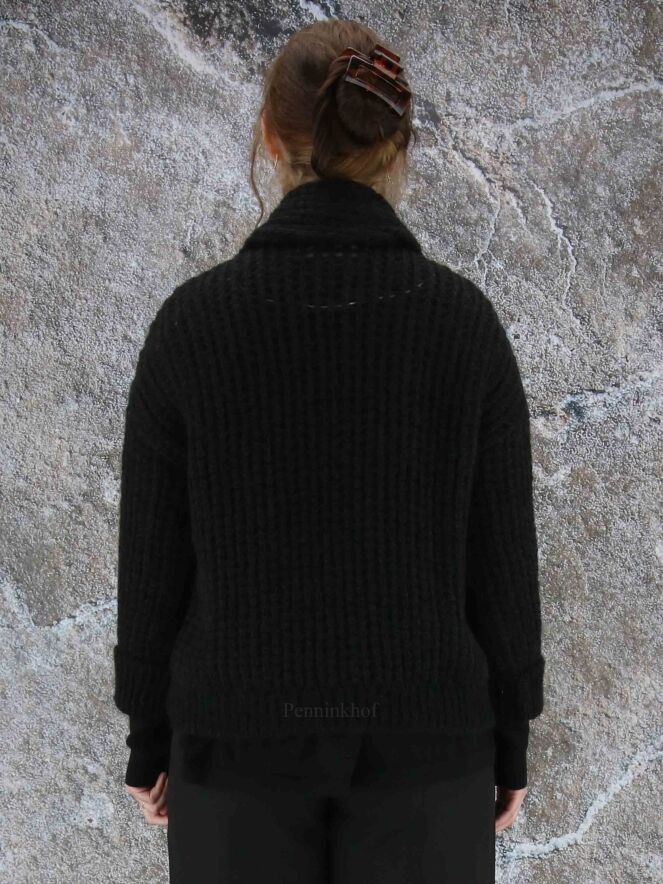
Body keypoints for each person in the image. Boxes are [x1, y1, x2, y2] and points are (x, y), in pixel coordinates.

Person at [113, 19, 545, 883]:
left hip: (232, 751)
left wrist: (148, 736)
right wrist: (509, 738)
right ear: (397, 144)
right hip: (429, 751)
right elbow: (500, 559)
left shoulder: (193, 326)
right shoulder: (461, 326)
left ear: (270, 138)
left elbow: (154, 559)